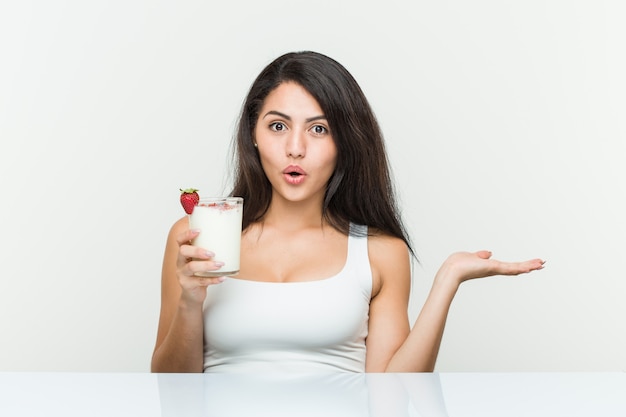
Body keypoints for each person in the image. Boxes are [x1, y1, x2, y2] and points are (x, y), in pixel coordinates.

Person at [151, 51, 544, 373]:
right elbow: (170, 389)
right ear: (253, 134)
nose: (296, 148)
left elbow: (393, 394)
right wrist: (190, 301)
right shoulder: (195, 237)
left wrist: (447, 280)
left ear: (345, 142)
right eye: (277, 126)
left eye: (319, 129)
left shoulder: (379, 251)